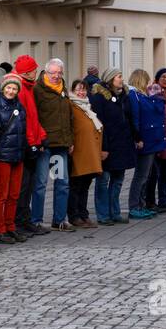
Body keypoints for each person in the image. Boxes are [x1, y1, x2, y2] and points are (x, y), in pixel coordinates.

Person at [32, 58, 74, 232]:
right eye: (53, 73)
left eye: (59, 72)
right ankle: (36, 220)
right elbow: (34, 118)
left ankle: (59, 220)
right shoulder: (38, 90)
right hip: (45, 145)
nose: (56, 76)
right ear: (46, 72)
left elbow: (69, 117)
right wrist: (38, 140)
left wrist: (70, 141)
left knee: (62, 183)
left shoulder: (63, 88)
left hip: (60, 145)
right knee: (41, 184)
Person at [89, 68, 136, 225]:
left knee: (118, 180)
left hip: (122, 144)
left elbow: (129, 119)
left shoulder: (124, 96)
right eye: (119, 76)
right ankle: (103, 214)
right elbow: (99, 124)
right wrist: (103, 147)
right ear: (110, 79)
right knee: (103, 180)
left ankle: (114, 212)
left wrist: (137, 137)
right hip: (108, 144)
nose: (121, 79)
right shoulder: (99, 97)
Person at [12, 55, 49, 236]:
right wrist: (31, 142)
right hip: (25, 145)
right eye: (34, 69)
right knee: (23, 186)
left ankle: (25, 221)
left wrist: (41, 137)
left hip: (32, 142)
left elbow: (34, 118)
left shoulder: (29, 87)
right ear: (27, 72)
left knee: (27, 185)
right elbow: (24, 120)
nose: (36, 71)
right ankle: (19, 222)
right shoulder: (20, 89)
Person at [0, 73, 27, 244]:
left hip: (17, 155)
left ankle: (11, 227)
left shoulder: (20, 106)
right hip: (2, 156)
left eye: (14, 88)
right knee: (1, 195)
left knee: (14, 195)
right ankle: (0, 229)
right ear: (3, 88)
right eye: (8, 88)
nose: (11, 91)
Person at [130, 69, 166, 218]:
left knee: (146, 175)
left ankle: (141, 204)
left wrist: (157, 98)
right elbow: (136, 118)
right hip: (144, 140)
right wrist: (138, 138)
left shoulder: (143, 96)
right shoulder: (135, 96)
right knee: (141, 176)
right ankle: (134, 206)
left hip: (151, 140)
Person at [67, 79, 103, 228]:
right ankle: (74, 215)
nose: (81, 92)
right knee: (76, 184)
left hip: (90, 152)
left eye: (83, 90)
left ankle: (83, 213)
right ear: (73, 91)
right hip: (79, 152)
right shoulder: (71, 105)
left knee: (86, 185)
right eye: (78, 90)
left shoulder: (87, 106)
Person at [145, 68, 166, 213]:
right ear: (157, 78)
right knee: (155, 173)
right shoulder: (153, 91)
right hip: (158, 138)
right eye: (163, 77)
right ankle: (150, 201)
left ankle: (164, 200)